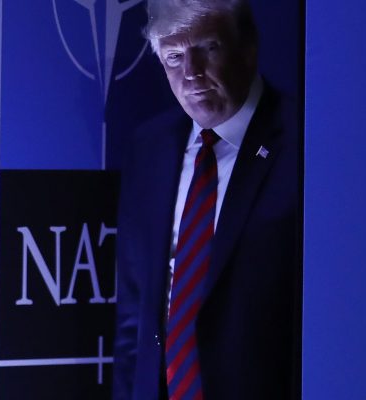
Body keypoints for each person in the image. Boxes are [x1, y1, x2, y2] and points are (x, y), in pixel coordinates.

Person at [113, 0, 300, 399]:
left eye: (208, 48)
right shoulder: (150, 148)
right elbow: (135, 313)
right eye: (175, 57)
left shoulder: (305, 144)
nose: (192, 74)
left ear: (248, 47)